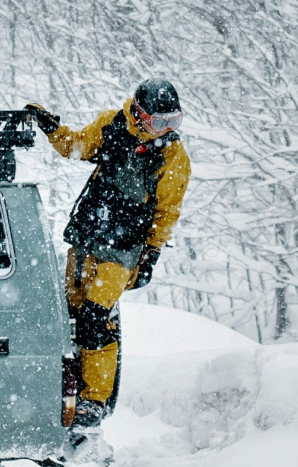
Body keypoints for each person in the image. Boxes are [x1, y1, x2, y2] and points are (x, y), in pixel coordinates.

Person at [26, 79, 191, 440]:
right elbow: (76, 147)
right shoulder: (112, 126)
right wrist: (53, 129)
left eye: (172, 123)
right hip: (89, 237)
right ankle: (66, 388)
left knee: (94, 318)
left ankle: (95, 399)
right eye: (160, 121)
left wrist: (151, 256)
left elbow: (167, 211)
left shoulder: (172, 157)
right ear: (139, 111)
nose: (164, 130)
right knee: (70, 313)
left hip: (125, 248)